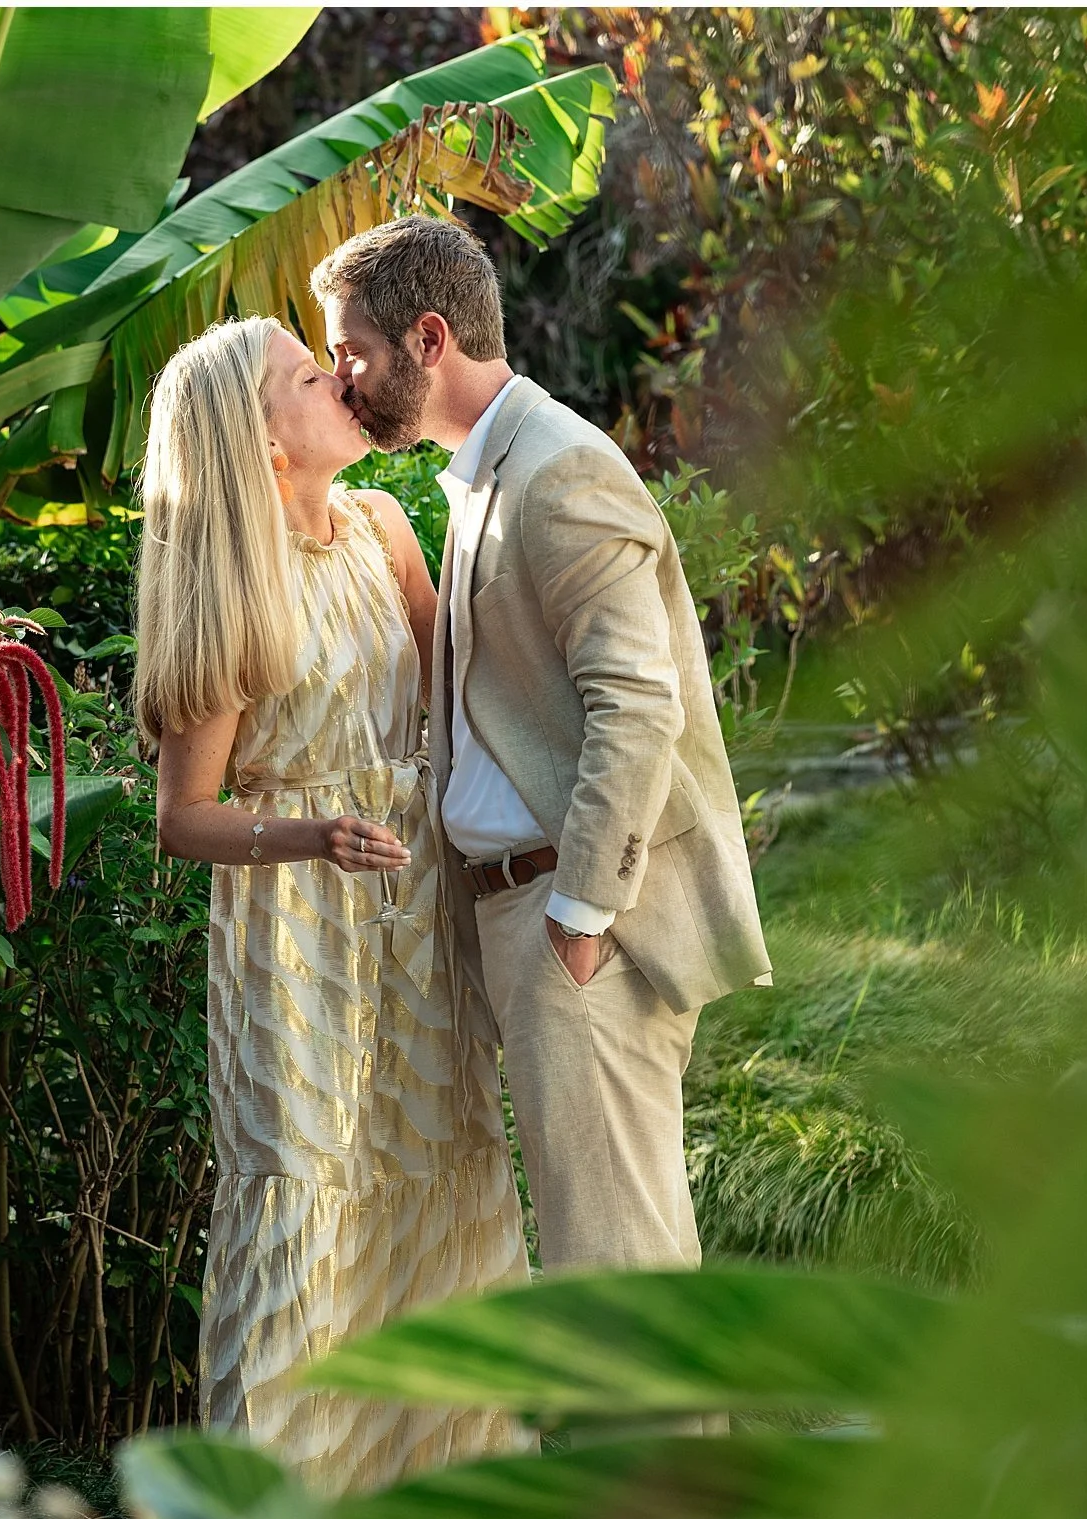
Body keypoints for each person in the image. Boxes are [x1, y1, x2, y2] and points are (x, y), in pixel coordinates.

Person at [310, 215, 772, 1284]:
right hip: (524, 913)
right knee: (601, 1253)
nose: (342, 378)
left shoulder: (558, 470)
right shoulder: (490, 470)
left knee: (614, 1263)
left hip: (575, 921)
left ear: (429, 339)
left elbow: (637, 704)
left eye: (352, 351)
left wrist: (579, 915)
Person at [133, 315, 533, 1495]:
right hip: (295, 936)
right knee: (304, 1197)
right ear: (263, 442)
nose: (342, 381)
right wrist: (311, 834)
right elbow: (182, 817)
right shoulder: (231, 590)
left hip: (415, 913)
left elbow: (468, 695)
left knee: (438, 1172)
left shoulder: (382, 530)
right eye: (311, 377)